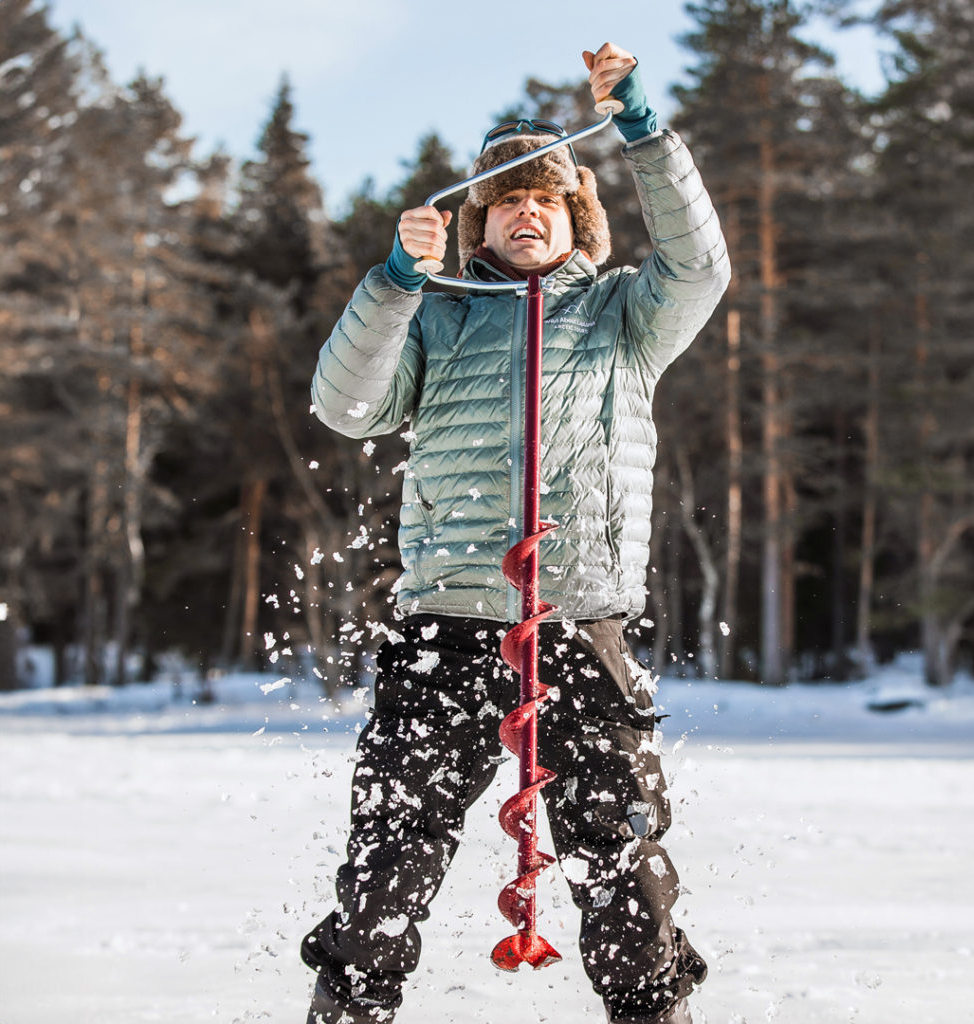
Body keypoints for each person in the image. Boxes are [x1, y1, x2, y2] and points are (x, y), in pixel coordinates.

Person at [302, 42, 730, 1024]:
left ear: (577, 218)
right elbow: (345, 405)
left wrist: (642, 132)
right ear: (477, 224)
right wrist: (393, 284)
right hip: (446, 628)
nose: (525, 212)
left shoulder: (626, 314)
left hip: (582, 627)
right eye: (504, 203)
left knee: (621, 859)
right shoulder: (436, 316)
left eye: (545, 199)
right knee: (389, 858)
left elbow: (700, 265)